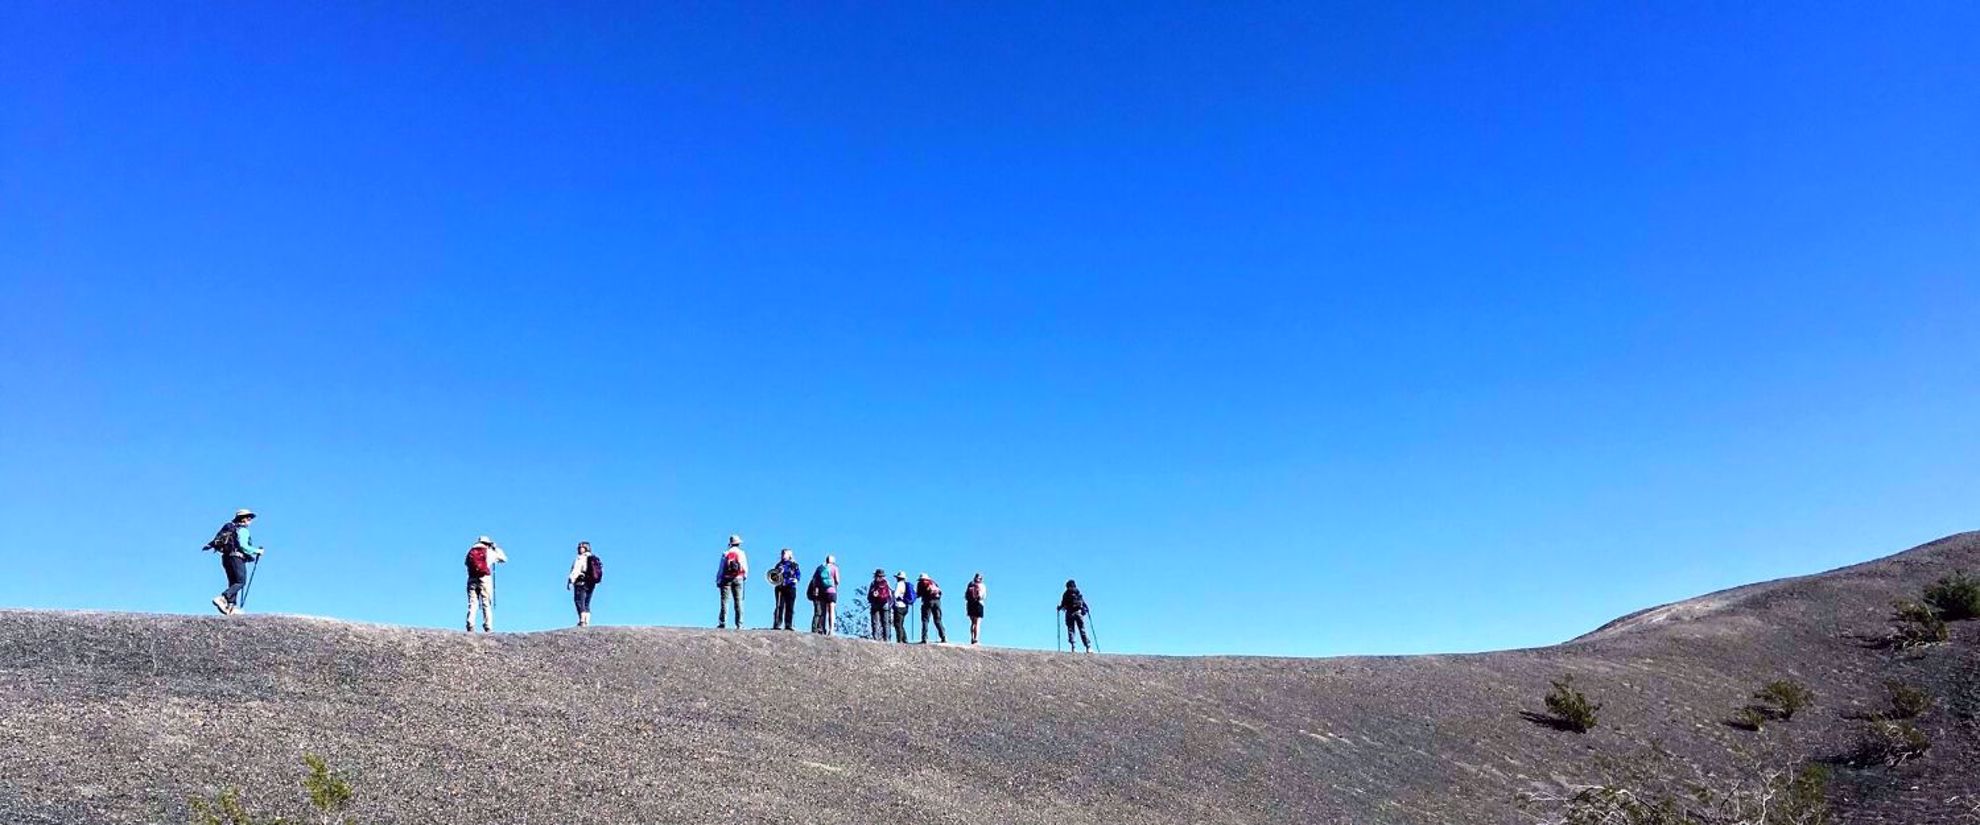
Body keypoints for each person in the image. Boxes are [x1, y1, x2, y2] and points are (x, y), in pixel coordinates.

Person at [203, 508, 265, 615]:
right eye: (248, 518)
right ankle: (223, 598)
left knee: (233, 582)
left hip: (226, 558)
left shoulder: (231, 529)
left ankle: (231, 606)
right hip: (237, 558)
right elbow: (244, 546)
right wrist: (257, 551)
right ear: (243, 519)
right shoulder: (243, 530)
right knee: (240, 582)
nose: (250, 520)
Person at [465, 536, 507, 632]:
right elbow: (504, 559)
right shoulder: (489, 552)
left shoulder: (470, 552)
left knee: (473, 602)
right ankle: (487, 626)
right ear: (487, 544)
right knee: (486, 602)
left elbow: (466, 563)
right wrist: (495, 548)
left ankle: (470, 624)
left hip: (471, 578)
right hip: (484, 579)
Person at [715, 535, 749, 628]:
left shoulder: (726, 553)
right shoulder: (742, 553)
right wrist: (744, 576)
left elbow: (721, 568)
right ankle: (739, 624)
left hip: (726, 579)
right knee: (738, 601)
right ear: (738, 543)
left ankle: (722, 622)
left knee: (725, 601)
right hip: (738, 578)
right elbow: (745, 566)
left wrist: (718, 579)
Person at [566, 541, 601, 627]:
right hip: (591, 582)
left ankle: (582, 621)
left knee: (579, 600)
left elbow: (576, 570)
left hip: (581, 581)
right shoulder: (592, 557)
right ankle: (587, 621)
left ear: (584, 548)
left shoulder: (580, 558)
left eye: (580, 547)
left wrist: (571, 581)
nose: (578, 549)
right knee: (587, 602)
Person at [771, 548, 802, 631]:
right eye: (782, 554)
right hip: (780, 588)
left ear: (789, 555)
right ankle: (777, 624)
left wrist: (796, 579)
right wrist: (778, 574)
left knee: (790, 606)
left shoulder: (794, 565)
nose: (783, 555)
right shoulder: (779, 565)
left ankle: (789, 624)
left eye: (785, 554)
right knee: (779, 605)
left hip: (791, 587)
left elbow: (798, 574)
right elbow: (773, 576)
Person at [1059, 579, 1091, 652]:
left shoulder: (1066, 594)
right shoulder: (1077, 592)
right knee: (1082, 629)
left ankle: (1073, 646)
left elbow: (1063, 604)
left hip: (1069, 613)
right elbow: (1082, 601)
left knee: (1071, 629)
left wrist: (1059, 608)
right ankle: (1088, 647)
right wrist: (1086, 608)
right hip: (1078, 612)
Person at [811, 555, 840, 635]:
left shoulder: (820, 568)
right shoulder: (835, 568)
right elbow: (837, 581)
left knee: (823, 611)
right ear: (833, 561)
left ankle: (822, 628)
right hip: (831, 591)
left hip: (822, 592)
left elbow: (815, 580)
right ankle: (831, 630)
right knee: (831, 610)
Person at [916, 573, 947, 644]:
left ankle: (924, 638)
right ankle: (943, 637)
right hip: (937, 602)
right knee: (938, 620)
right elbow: (940, 593)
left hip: (927, 602)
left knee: (925, 620)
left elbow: (918, 594)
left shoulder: (921, 584)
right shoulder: (933, 582)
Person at [866, 569, 893, 641]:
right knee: (885, 622)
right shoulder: (886, 583)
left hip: (875, 604)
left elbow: (869, 595)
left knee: (875, 622)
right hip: (885, 604)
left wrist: (871, 600)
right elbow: (890, 594)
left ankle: (875, 637)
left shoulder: (873, 583)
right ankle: (886, 639)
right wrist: (890, 603)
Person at [890, 571, 914, 644]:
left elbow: (896, 595)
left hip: (899, 606)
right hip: (905, 606)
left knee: (897, 624)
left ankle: (900, 640)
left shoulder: (899, 584)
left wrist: (892, 594)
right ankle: (904, 639)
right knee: (901, 624)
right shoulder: (905, 585)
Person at [964, 573, 987, 645]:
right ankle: (976, 639)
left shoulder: (970, 584)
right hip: (978, 604)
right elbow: (983, 596)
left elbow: (965, 596)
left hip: (970, 604)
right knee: (977, 623)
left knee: (972, 623)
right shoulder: (982, 585)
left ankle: (972, 638)